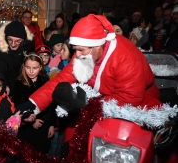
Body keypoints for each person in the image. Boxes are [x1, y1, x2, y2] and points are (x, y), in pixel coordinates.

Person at [16, 14, 162, 140]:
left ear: (98, 46)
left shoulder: (128, 58)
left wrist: (89, 104)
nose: (76, 55)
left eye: (80, 50)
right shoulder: (85, 51)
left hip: (135, 111)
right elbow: (61, 79)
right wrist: (33, 104)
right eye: (75, 50)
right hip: (97, 106)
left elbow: (129, 99)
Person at [13, 52, 55, 154]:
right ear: (24, 67)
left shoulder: (45, 81)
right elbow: (18, 107)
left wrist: (52, 124)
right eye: (28, 67)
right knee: (28, 153)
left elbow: (52, 104)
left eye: (35, 68)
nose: (31, 71)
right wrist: (31, 122)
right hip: (27, 128)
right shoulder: (19, 83)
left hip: (44, 123)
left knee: (43, 152)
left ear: (41, 67)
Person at [0, 20, 34, 98]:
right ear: (5, 37)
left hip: (23, 83)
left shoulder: (28, 45)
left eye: (18, 41)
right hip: (6, 81)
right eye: (10, 40)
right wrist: (4, 85)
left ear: (24, 40)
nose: (13, 44)